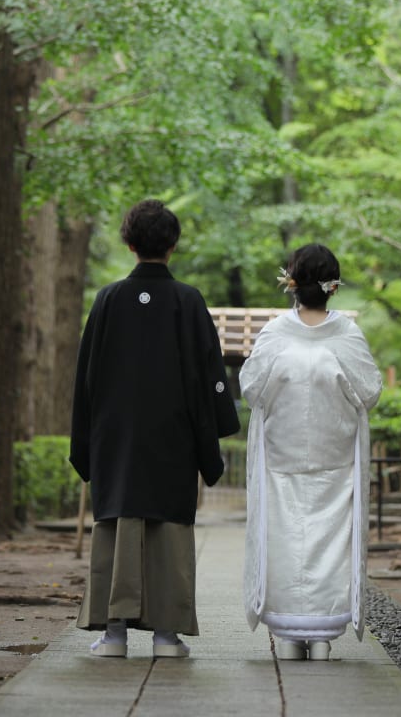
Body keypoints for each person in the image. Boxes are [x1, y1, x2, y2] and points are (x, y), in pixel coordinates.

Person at [70, 199, 240, 659]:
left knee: (118, 525)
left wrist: (85, 440)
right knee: (168, 526)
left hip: (116, 437)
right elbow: (209, 379)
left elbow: (86, 378)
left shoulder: (107, 299)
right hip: (173, 436)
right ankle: (167, 634)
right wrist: (212, 436)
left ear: (128, 244)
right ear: (173, 245)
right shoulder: (188, 300)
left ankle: (115, 633)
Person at [240, 243, 382, 661]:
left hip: (281, 461)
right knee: (329, 541)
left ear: (293, 284)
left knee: (282, 536)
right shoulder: (347, 336)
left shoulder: (275, 334)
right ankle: (322, 634)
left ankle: (286, 633)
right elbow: (369, 391)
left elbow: (251, 389)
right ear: (332, 288)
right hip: (334, 461)